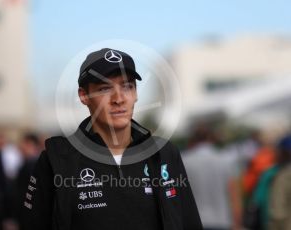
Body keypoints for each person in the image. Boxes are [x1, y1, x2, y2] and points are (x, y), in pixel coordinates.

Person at [22, 48, 202, 230]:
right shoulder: (57, 159)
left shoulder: (164, 153)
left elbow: (190, 222)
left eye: (127, 86)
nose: (119, 99)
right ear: (84, 96)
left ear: (136, 94)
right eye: (105, 88)